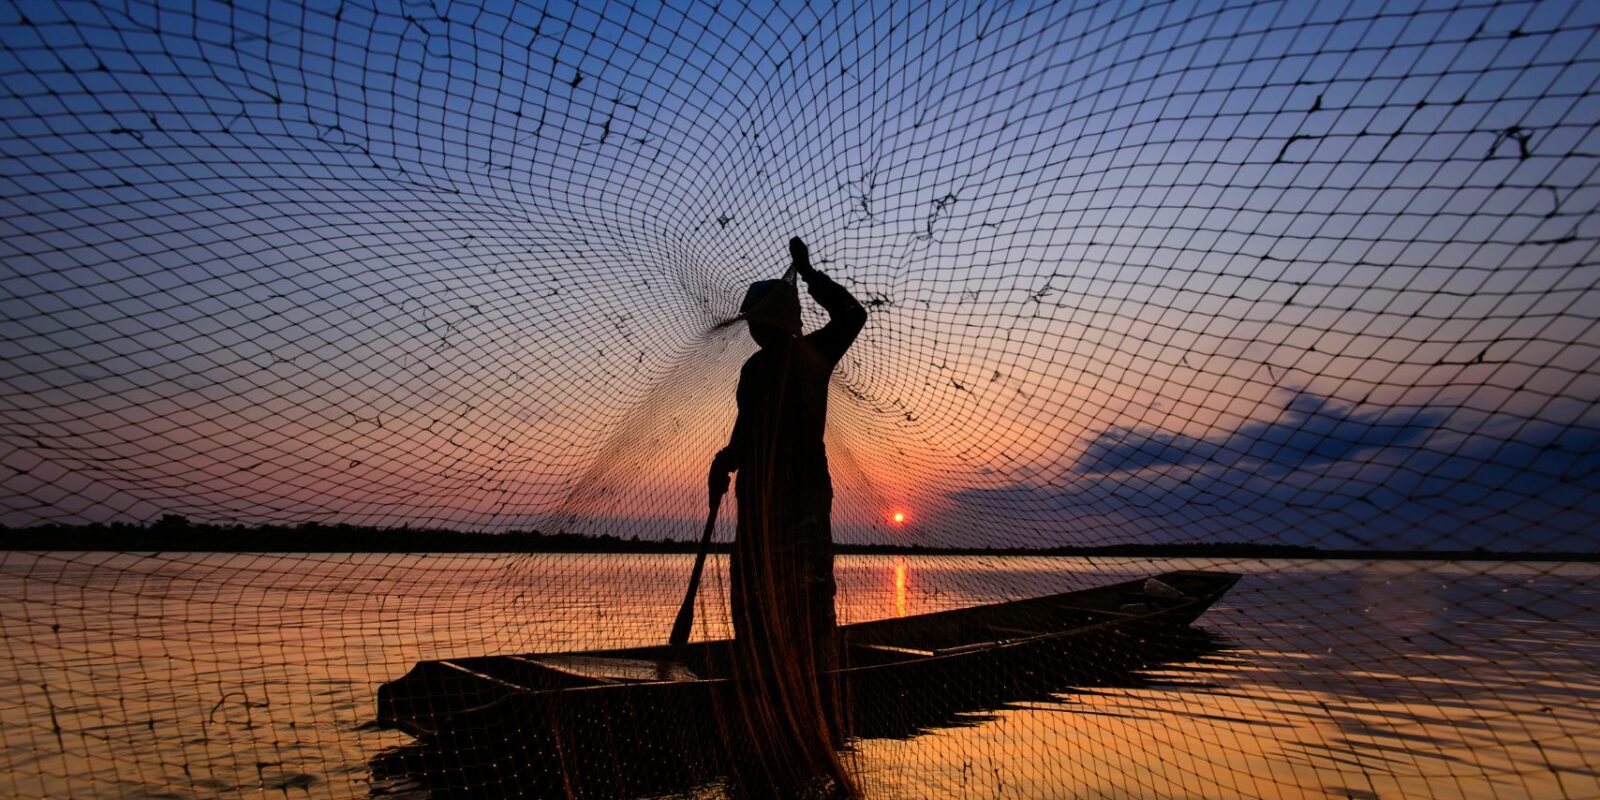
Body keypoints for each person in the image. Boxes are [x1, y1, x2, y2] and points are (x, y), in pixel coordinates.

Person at [708, 236, 866, 793]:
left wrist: (807, 272)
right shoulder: (785, 362)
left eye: (757, 321)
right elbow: (745, 438)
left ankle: (795, 697)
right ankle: (784, 697)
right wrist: (724, 462)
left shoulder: (790, 360)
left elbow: (852, 314)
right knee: (770, 596)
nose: (753, 330)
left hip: (789, 502)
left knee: (789, 595)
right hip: (772, 501)